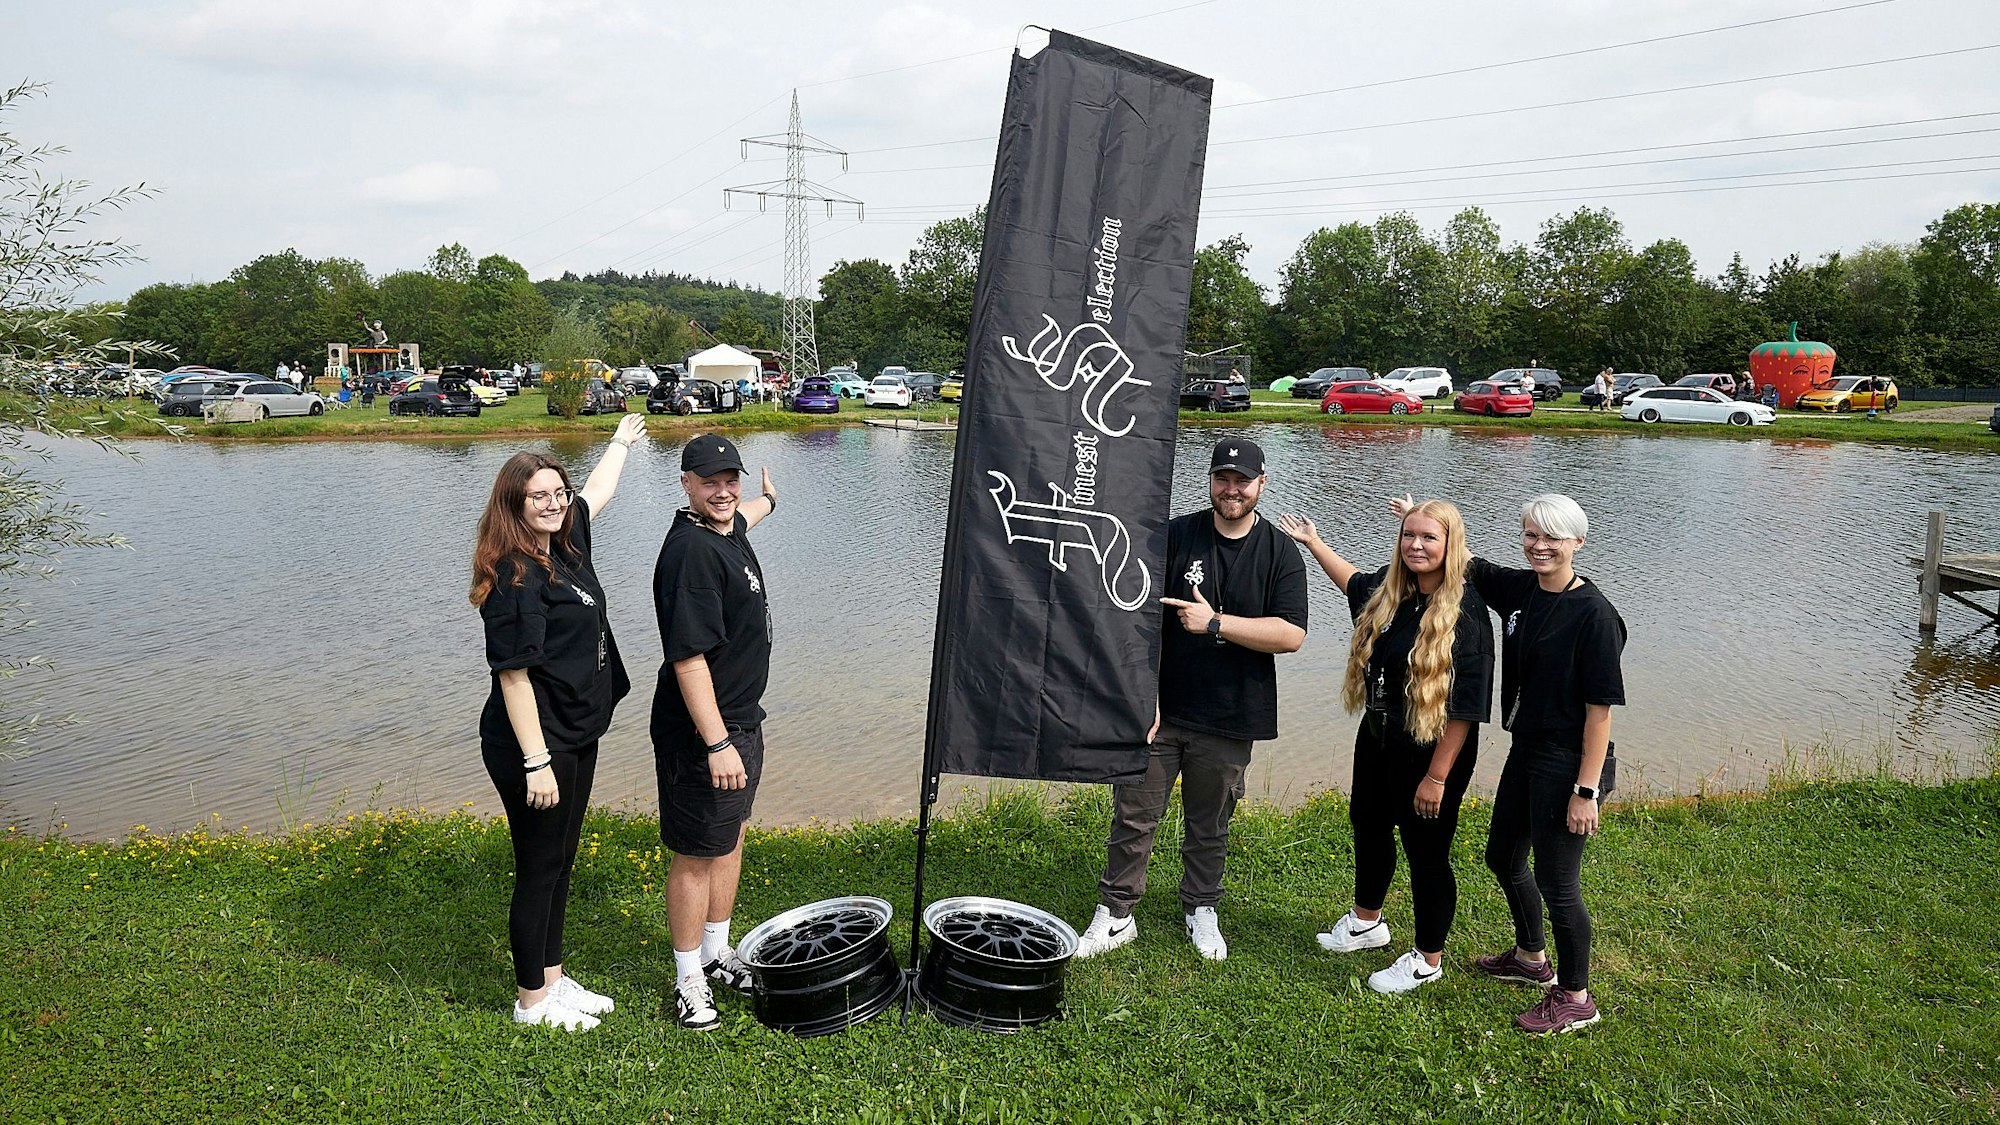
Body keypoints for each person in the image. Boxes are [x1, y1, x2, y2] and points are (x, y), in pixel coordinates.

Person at [1073, 438, 1309, 962]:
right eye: (1222, 479)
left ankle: (1202, 908)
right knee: (1134, 815)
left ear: (1261, 485)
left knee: (1211, 823)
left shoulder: (1280, 551)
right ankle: (1116, 913)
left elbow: (1291, 634)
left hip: (1230, 714)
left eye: (1241, 481)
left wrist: (1217, 624)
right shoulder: (1176, 535)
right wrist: (1144, 697)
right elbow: (1139, 620)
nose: (1231, 489)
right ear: (1209, 481)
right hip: (1162, 709)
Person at [1398, 492, 1625, 1033]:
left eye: (1552, 538)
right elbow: (1464, 560)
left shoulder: (1594, 616)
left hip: (1570, 762)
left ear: (1578, 543)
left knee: (1558, 882)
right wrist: (1422, 523)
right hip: (1527, 751)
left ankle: (1575, 998)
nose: (1539, 546)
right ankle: (1530, 960)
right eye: (1531, 535)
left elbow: (1600, 716)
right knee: (1502, 855)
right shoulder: (1523, 590)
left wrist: (1586, 790)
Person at [470, 413, 648, 1030]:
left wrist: (621, 443)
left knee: (562, 857)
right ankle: (531, 1003)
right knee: (539, 866)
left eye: (556, 492)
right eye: (536, 497)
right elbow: (513, 678)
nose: (551, 503)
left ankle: (552, 977)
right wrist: (537, 762)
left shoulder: (564, 545)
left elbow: (597, 492)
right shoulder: (516, 578)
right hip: (534, 744)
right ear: (513, 508)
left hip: (575, 731)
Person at [1277, 501, 1493, 994]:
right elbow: (1353, 583)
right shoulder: (1394, 593)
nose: (1416, 545)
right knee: (1369, 826)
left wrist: (1436, 778)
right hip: (1377, 738)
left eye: (1429, 538)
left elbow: (1467, 709)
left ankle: (1427, 957)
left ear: (1450, 545)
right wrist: (1313, 543)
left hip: (1432, 751)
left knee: (1427, 854)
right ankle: (1367, 922)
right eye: (1408, 535)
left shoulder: (1468, 611)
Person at [652, 434, 780, 1030]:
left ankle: (717, 952)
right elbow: (688, 660)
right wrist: (718, 743)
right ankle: (687, 982)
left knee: (728, 838)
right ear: (685, 485)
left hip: (741, 719)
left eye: (731, 479)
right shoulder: (691, 555)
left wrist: (767, 501)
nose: (724, 491)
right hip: (703, 733)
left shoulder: (727, 531)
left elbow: (745, 513)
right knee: (697, 854)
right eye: (710, 482)